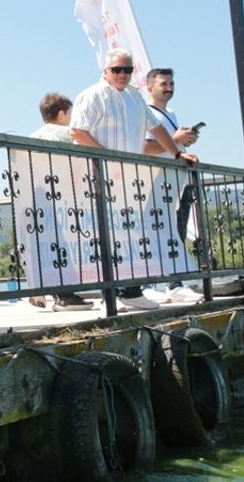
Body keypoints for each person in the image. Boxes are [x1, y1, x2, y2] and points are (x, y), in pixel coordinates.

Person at [70, 50, 199, 311]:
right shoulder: (91, 95)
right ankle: (114, 293)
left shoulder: (135, 98)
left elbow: (156, 128)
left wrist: (177, 153)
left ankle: (130, 291)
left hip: (130, 179)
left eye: (127, 70)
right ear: (105, 70)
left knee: (130, 233)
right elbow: (77, 131)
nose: (122, 75)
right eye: (116, 69)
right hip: (98, 175)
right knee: (103, 234)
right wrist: (109, 159)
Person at [140, 67, 204, 304]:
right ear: (150, 87)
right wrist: (175, 141)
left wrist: (183, 143)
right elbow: (144, 148)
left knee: (175, 231)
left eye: (171, 84)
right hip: (154, 181)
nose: (168, 88)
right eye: (163, 84)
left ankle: (175, 282)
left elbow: (171, 146)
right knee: (150, 231)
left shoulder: (172, 114)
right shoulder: (146, 113)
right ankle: (146, 283)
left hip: (177, 180)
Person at [27, 93, 91, 311]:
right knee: (67, 244)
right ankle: (65, 295)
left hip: (37, 197)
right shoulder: (67, 135)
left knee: (44, 244)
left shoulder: (32, 136)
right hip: (64, 194)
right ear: (62, 112)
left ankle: (39, 289)